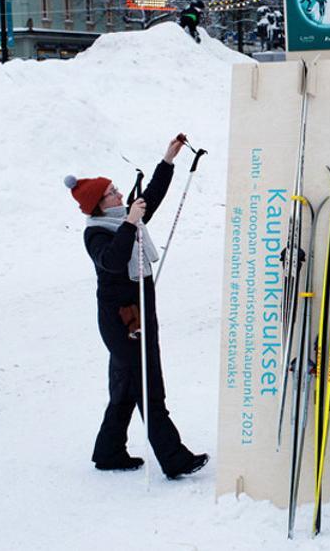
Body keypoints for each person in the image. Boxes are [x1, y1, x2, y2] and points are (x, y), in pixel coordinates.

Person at [65, 134, 208, 479]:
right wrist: (130, 222)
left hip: (139, 312)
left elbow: (152, 197)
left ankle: (109, 451)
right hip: (122, 322)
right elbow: (112, 262)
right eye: (112, 191)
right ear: (100, 203)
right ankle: (174, 459)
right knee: (149, 385)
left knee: (126, 386)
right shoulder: (99, 232)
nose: (118, 192)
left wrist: (168, 160)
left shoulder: (123, 217)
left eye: (115, 188)